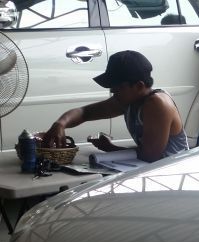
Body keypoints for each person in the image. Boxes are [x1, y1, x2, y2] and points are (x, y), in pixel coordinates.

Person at [42, 50, 188, 162]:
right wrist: (60, 124)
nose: (112, 91)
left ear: (139, 86)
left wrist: (110, 149)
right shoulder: (129, 100)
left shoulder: (157, 104)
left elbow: (150, 156)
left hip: (171, 172)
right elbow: (85, 112)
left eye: (117, 88)